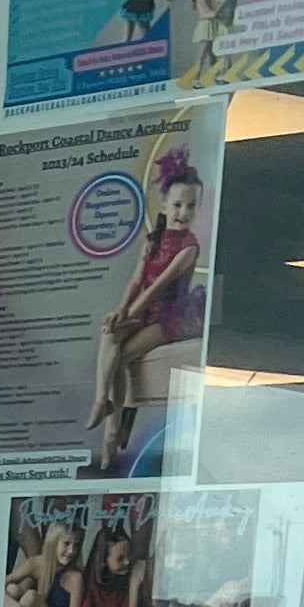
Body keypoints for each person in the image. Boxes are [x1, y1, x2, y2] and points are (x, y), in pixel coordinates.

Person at [91, 153, 208, 471]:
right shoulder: (153, 240)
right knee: (110, 336)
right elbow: (136, 280)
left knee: (123, 353)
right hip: (144, 311)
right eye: (178, 205)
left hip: (171, 314)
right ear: (165, 205)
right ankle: (103, 403)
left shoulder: (189, 247)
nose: (184, 212)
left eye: (191, 206)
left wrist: (128, 314)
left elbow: (156, 289)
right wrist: (120, 312)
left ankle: (112, 434)